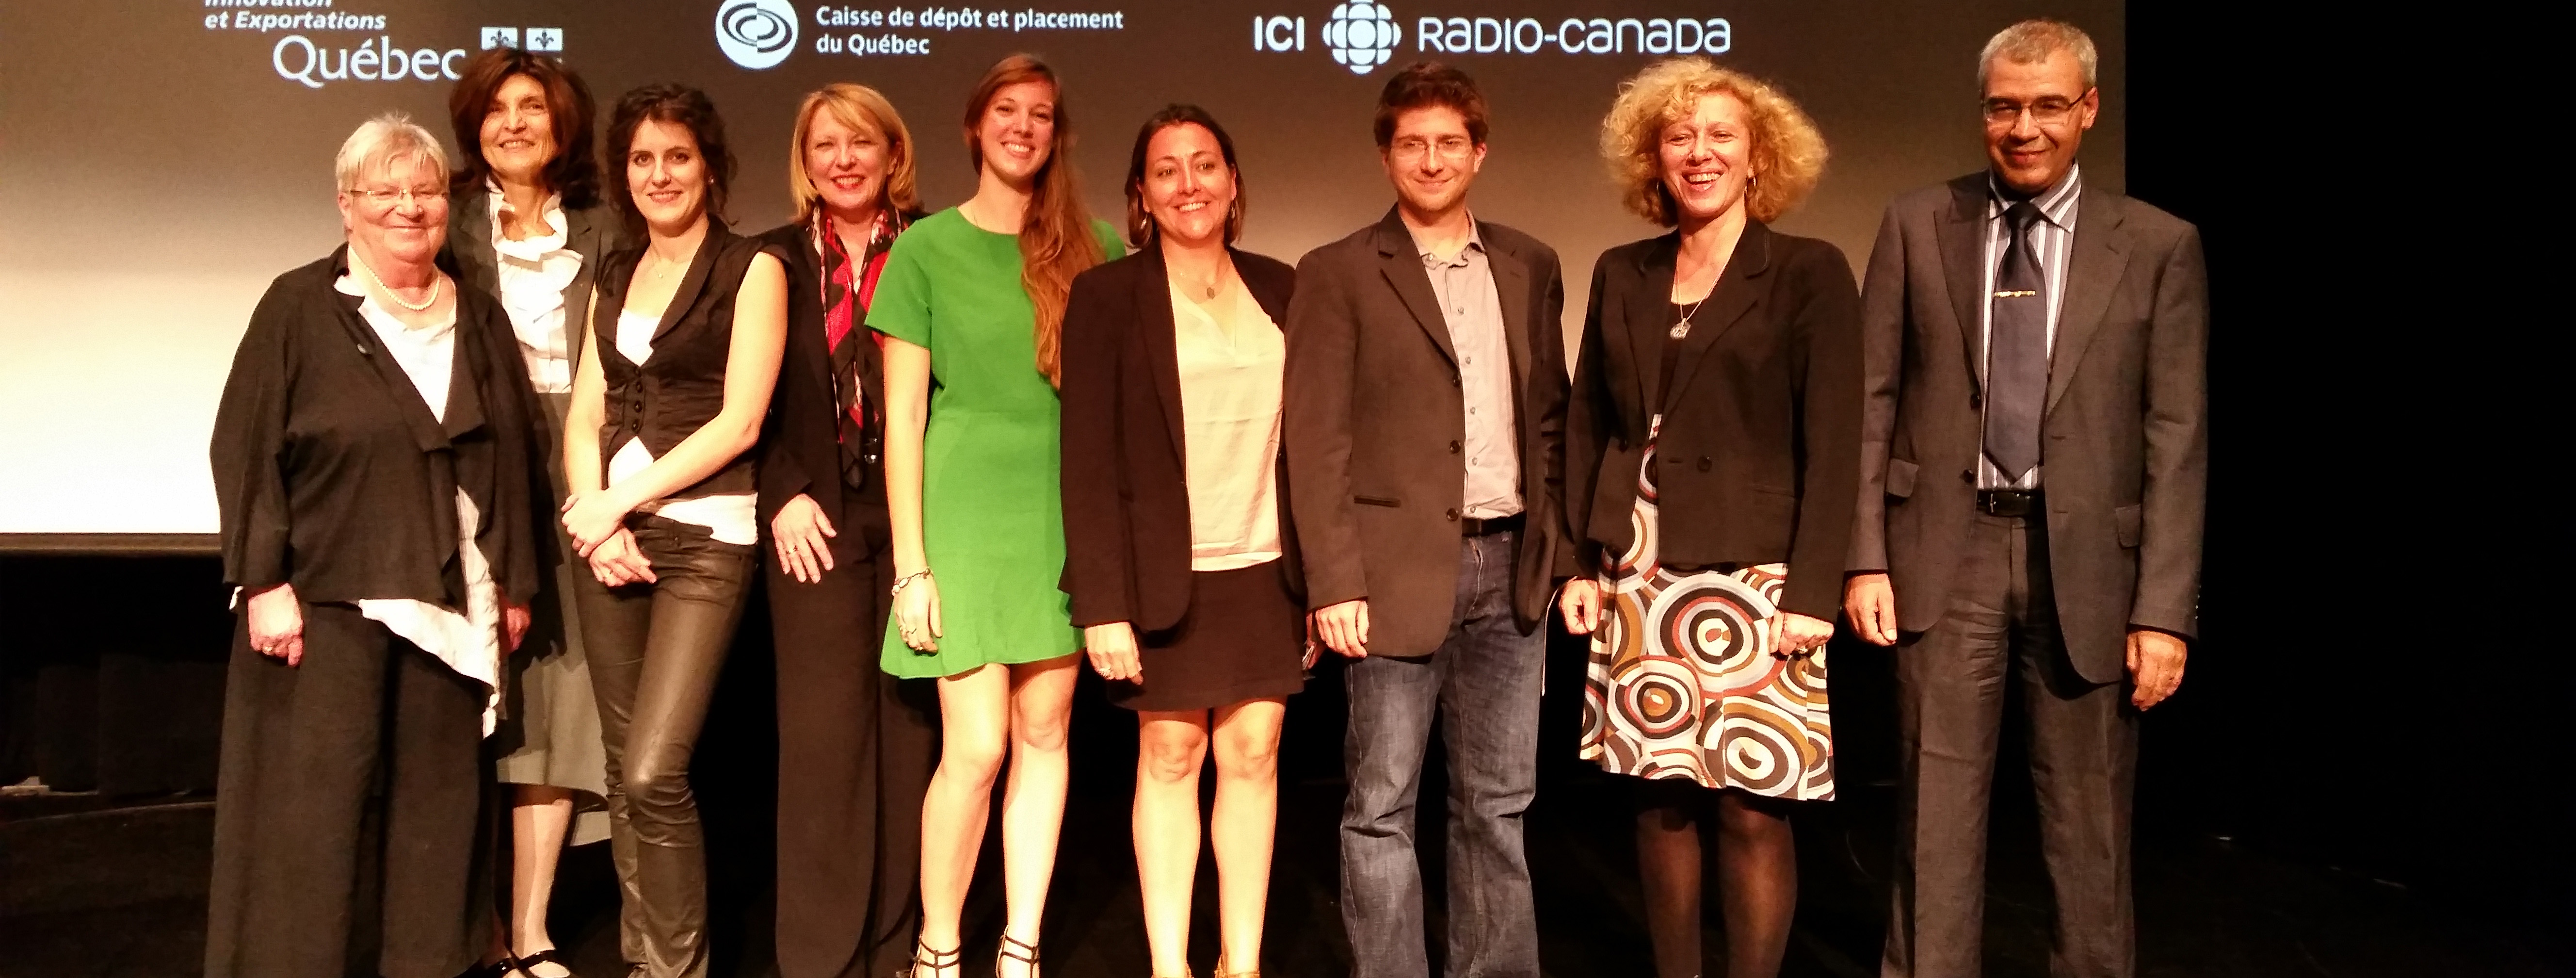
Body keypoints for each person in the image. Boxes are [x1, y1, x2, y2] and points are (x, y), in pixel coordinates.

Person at [1845, 19, 2206, 978]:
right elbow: (1870, 401)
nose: (2024, 127)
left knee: (2088, 832)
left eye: (2048, 105)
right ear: (1982, 112)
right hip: (1944, 550)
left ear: (2088, 109)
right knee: (1933, 819)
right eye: (2005, 106)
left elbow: (2177, 440)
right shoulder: (1917, 222)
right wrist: (1865, 555)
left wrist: (2164, 612)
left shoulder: (2160, 245)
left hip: (2087, 563)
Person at [205, 112, 541, 978]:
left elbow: (513, 452)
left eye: (425, 191)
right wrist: (263, 579)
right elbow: (245, 447)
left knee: (437, 818)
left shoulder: (480, 314)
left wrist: (513, 584)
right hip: (326, 599)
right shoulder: (298, 305)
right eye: (385, 192)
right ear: (346, 207)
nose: (409, 207)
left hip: (447, 603)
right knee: (308, 821)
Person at [1556, 58, 1859, 978]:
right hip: (1641, 571)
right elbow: (1587, 424)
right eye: (1680, 137)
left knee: (1752, 804)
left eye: (1721, 135)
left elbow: (1838, 443)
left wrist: (1816, 591)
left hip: (1758, 578)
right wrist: (1580, 563)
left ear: (1758, 156)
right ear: (1653, 159)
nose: (1700, 153)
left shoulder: (1808, 272)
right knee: (1660, 802)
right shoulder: (1622, 272)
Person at [1282, 62, 1567, 978]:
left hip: (1510, 564)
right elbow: (1315, 441)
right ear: (1386, 154)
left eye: (1450, 143)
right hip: (1391, 578)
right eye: (1413, 144)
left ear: (1480, 152)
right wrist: (1334, 581)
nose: (1432, 160)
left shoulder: (1531, 263)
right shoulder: (1336, 272)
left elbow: (1550, 419)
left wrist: (1557, 561)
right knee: (1381, 805)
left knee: (1497, 804)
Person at [871, 53, 1123, 978]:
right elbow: (903, 418)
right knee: (974, 749)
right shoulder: (924, 248)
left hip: (1064, 514)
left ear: (1057, 133)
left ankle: (1022, 945)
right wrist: (912, 566)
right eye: (1007, 111)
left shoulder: (1095, 244)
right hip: (966, 515)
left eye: (1043, 115)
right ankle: (938, 948)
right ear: (975, 127)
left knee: (1047, 733)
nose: (1024, 127)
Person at [1060, 104, 1304, 978]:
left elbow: (1313, 445)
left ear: (1233, 183)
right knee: (1170, 753)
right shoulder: (1107, 296)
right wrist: (1103, 606)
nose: (1189, 184)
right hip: (1163, 575)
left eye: (1205, 166)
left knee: (1254, 753)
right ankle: (1170, 965)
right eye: (1167, 170)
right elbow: (1085, 461)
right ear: (1141, 194)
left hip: (1268, 567)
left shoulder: (1285, 287)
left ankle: (1242, 962)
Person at [561, 84, 789, 978]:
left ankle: (676, 970)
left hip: (704, 538)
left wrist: (623, 501)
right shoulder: (613, 273)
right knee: (622, 775)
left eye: (678, 157)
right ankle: (643, 961)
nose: (661, 174)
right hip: (609, 539)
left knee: (659, 770)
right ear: (625, 173)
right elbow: (587, 412)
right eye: (643, 159)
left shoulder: (752, 268)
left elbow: (740, 423)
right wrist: (594, 519)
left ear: (711, 166)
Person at [443, 46, 624, 978]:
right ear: (473, 121)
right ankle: (448, 923)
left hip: (581, 473)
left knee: (558, 710)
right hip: (465, 475)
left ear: (564, 126)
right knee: (461, 704)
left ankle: (531, 929)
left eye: (534, 107)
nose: (515, 121)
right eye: (498, 107)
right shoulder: (441, 225)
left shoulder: (605, 228)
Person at [753, 82, 938, 978]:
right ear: (806, 159)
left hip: (922, 522)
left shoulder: (938, 247)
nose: (845, 159)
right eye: (826, 144)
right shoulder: (770, 260)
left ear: (892, 152)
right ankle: (822, 960)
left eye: (862, 141)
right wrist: (782, 489)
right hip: (813, 523)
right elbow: (734, 403)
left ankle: (896, 948)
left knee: (911, 743)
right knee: (824, 753)